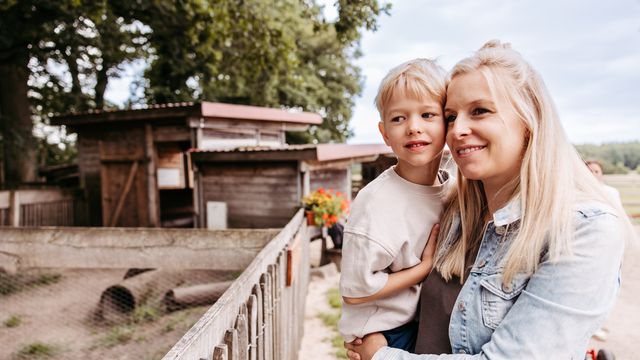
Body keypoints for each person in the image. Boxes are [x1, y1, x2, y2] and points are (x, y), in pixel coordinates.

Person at [345, 40, 633, 360]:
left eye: (479, 111)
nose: (458, 130)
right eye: (451, 117)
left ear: (528, 121)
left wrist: (381, 356)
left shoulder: (584, 231)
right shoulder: (454, 210)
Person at [338, 58, 450, 352]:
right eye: (399, 118)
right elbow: (355, 291)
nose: (413, 127)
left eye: (427, 114)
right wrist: (424, 268)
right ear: (384, 132)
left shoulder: (450, 188)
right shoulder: (377, 203)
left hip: (421, 321)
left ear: (448, 122)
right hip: (385, 330)